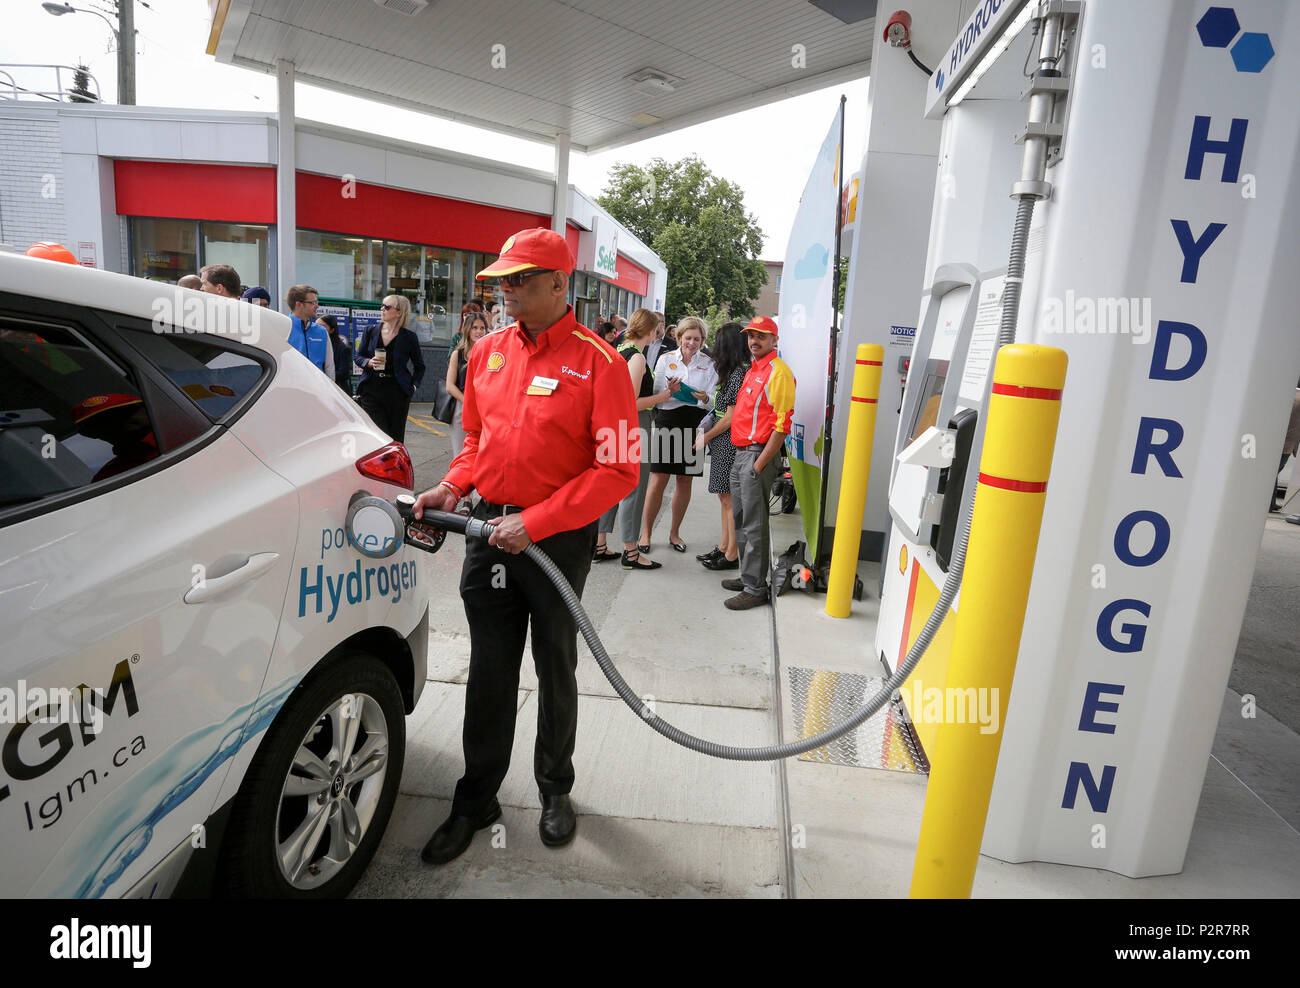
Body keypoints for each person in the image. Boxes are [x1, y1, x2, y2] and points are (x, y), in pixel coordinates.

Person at [411, 227, 637, 864]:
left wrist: (535, 522)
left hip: (556, 544)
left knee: (555, 666)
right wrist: (452, 488)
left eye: (521, 279)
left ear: (560, 283)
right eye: (503, 280)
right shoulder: (487, 354)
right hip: (487, 534)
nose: (506, 290)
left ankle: (554, 789)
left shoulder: (602, 362)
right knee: (488, 671)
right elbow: (475, 442)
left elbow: (618, 470)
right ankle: (476, 797)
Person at [593, 308, 677, 568]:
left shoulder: (619, 350)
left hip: (614, 427)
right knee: (633, 489)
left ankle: (600, 544)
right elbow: (630, 402)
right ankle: (631, 551)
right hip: (633, 427)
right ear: (652, 330)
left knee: (611, 487)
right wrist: (663, 396)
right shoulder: (637, 357)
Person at [722, 316, 795, 610]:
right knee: (741, 521)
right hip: (743, 454)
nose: (755, 341)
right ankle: (748, 575)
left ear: (774, 340)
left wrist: (760, 463)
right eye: (751, 335)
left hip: (756, 455)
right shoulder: (754, 371)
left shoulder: (778, 372)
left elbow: (782, 424)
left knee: (754, 524)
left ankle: (755, 588)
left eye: (762, 336)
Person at [638, 316, 717, 553]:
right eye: (688, 338)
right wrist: (670, 392)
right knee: (658, 479)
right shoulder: (665, 359)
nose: (692, 343)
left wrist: (703, 398)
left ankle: (675, 533)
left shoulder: (709, 363)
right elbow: (655, 393)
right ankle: (646, 534)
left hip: (694, 422)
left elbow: (713, 401)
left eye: (697, 339)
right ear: (679, 337)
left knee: (685, 480)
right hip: (668, 420)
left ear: (703, 340)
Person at [694, 322, 748, 570]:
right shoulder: (733, 373)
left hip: (728, 443)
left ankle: (731, 554)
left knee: (728, 500)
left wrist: (706, 437)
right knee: (724, 498)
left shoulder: (738, 374)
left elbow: (729, 418)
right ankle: (724, 547)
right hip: (722, 442)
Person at [354, 294, 425, 444]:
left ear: (399, 312)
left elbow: (420, 366)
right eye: (382, 306)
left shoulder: (409, 337)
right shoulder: (370, 330)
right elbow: (358, 356)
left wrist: (414, 386)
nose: (382, 309)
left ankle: (394, 467)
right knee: (378, 434)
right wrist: (368, 362)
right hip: (371, 388)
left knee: (396, 437)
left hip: (397, 391)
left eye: (387, 307)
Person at [447, 311, 490, 455]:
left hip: (486, 408)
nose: (479, 331)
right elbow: (450, 385)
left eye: (482, 328)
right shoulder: (458, 354)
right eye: (475, 328)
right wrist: (467, 401)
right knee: (460, 453)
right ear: (467, 330)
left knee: (483, 454)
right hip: (462, 407)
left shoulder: (493, 353)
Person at [285, 284, 335, 381]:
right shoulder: (283, 329)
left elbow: (330, 367)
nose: (317, 306)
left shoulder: (322, 332)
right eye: (312, 303)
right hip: (291, 389)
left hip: (318, 390)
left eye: (317, 302)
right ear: (298, 304)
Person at [318, 313, 353, 393]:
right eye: (316, 325)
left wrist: (323, 376)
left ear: (332, 330)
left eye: (322, 326)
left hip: (336, 389)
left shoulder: (342, 348)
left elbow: (344, 372)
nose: (318, 329)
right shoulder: (314, 343)